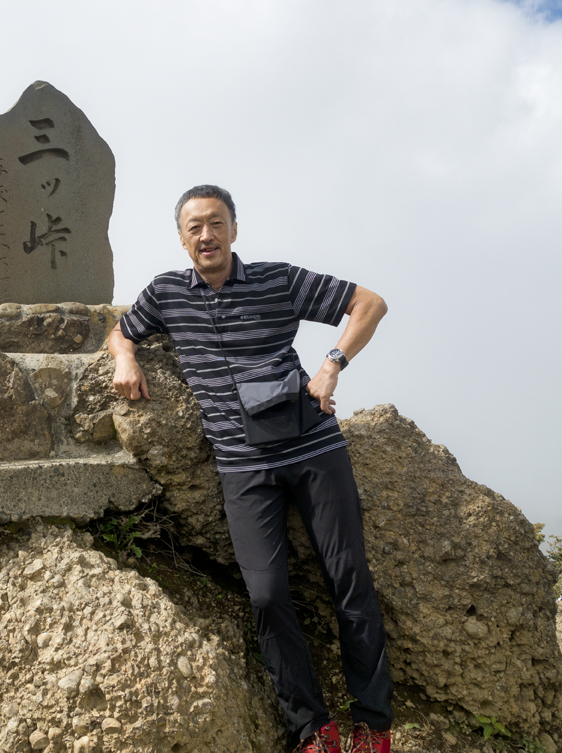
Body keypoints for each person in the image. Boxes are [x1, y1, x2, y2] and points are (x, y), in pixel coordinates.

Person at [108, 185, 394, 753]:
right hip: (241, 468)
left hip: (313, 451)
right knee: (265, 595)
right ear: (182, 239)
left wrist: (332, 365)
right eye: (195, 227)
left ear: (234, 230)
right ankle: (312, 729)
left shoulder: (276, 280)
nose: (206, 235)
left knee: (349, 581)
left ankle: (372, 723)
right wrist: (124, 356)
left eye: (216, 223)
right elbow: (121, 329)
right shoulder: (166, 293)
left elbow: (370, 303)